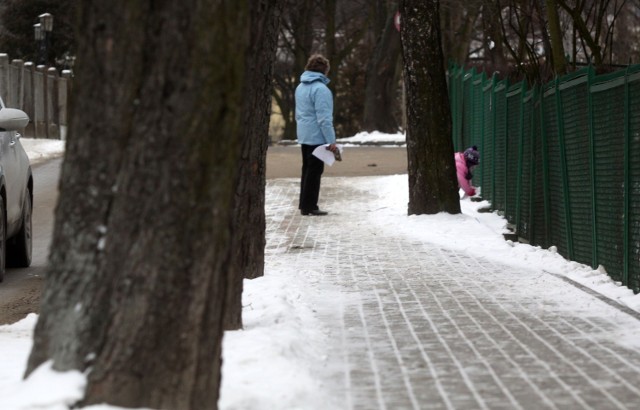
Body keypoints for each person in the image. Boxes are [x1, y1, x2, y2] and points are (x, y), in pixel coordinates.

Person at [295, 54, 338, 216]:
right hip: (317, 137)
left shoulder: (300, 87)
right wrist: (331, 141)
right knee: (314, 172)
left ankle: (304, 204)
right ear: (325, 70)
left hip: (304, 135)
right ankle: (310, 206)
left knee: (307, 170)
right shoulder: (321, 89)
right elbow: (324, 119)